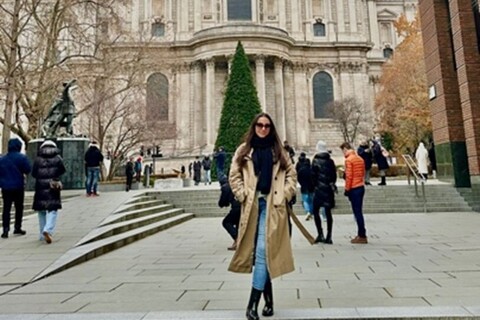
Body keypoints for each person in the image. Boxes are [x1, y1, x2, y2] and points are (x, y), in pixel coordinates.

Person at [229, 112, 297, 320]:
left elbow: (292, 176)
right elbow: (234, 175)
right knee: (263, 254)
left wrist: (284, 195)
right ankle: (269, 301)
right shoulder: (244, 150)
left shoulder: (280, 151)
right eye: (259, 125)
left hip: (272, 207)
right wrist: (242, 194)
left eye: (267, 126)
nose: (263, 128)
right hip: (252, 207)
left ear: (271, 129)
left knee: (261, 252)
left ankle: (252, 305)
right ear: (254, 127)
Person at [31, 140, 66, 244]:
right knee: (53, 209)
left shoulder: (38, 159)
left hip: (40, 186)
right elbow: (63, 170)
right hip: (53, 186)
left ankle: (42, 234)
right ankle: (48, 230)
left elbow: (33, 173)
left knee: (41, 211)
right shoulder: (58, 158)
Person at [0, 138, 32, 238]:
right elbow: (27, 169)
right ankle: (17, 227)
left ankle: (5, 229)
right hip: (18, 186)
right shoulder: (22, 158)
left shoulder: (2, 159)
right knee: (19, 207)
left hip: (6, 187)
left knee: (6, 208)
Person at [340, 142, 368, 244]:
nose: (343, 153)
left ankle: (362, 235)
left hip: (354, 187)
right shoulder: (360, 159)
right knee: (359, 211)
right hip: (361, 186)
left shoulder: (349, 160)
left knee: (357, 212)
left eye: (343, 151)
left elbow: (349, 176)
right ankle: (361, 233)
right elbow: (362, 173)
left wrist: (347, 189)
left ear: (345, 149)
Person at [312, 140, 337, 244]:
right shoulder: (330, 161)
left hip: (318, 189)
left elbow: (312, 176)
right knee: (328, 212)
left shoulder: (315, 161)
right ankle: (329, 235)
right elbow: (334, 176)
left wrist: (314, 186)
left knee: (316, 211)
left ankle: (320, 234)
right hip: (328, 189)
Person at [218, 175, 241, 251]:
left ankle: (237, 238)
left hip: (236, 208)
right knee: (238, 224)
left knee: (226, 222)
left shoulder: (226, 187)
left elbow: (222, 202)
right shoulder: (239, 183)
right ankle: (237, 243)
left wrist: (223, 203)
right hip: (243, 206)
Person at [296, 152, 314, 221]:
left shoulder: (301, 170)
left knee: (305, 201)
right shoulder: (312, 170)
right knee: (311, 200)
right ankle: (311, 212)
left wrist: (301, 184)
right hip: (311, 187)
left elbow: (299, 178)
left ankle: (307, 211)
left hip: (304, 187)